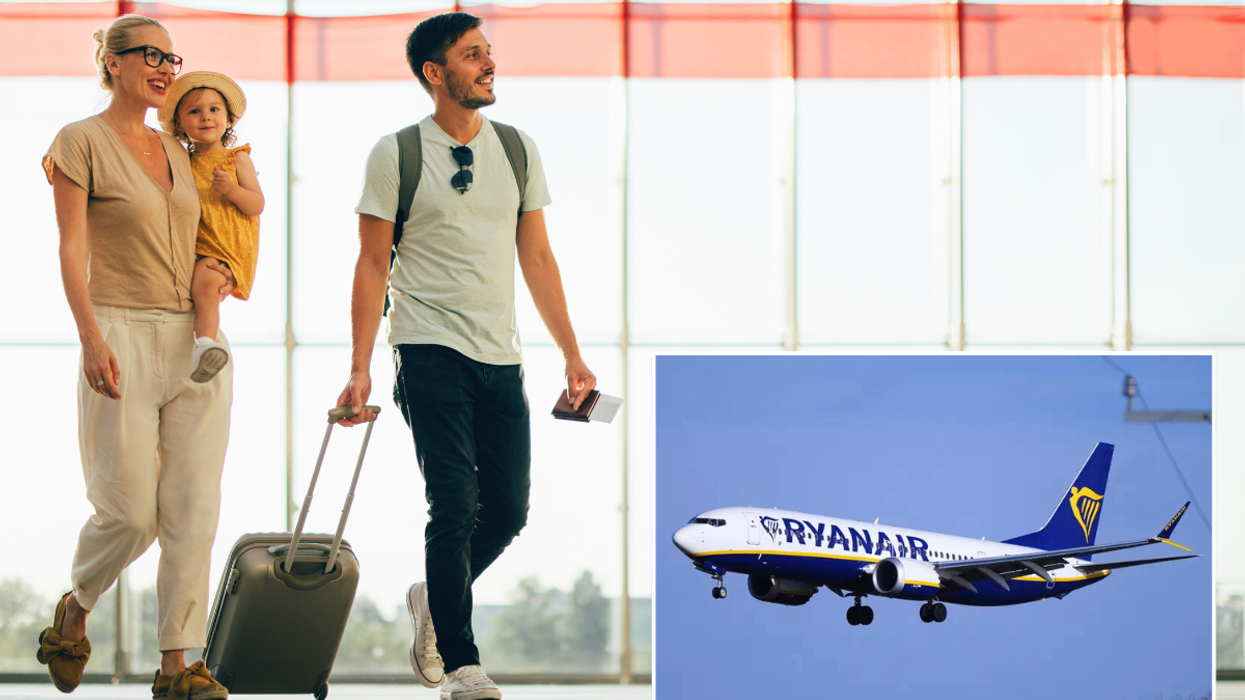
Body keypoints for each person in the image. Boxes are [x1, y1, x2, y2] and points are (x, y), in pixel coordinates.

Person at [335, 12, 596, 700]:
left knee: (506, 510)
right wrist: (360, 366)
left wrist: (572, 353)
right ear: (435, 73)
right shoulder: (395, 153)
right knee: (454, 503)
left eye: (489, 52)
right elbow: (369, 264)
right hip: (425, 349)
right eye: (473, 55)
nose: (489, 64)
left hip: (499, 357)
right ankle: (460, 663)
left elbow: (536, 256)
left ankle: (433, 595)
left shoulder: (516, 149)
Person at [38, 14, 234, 700]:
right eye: (149, 53)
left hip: (194, 341)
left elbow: (230, 216)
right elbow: (70, 249)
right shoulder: (79, 141)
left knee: (191, 509)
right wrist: (91, 337)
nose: (164, 65)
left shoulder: (179, 147)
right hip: (117, 330)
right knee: (129, 513)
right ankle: (76, 610)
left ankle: (179, 665)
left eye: (170, 56)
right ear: (113, 62)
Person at [157, 70, 264, 382]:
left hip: (225, 247)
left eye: (214, 109)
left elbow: (257, 205)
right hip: (197, 245)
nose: (206, 117)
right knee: (192, 286)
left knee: (205, 286)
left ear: (229, 120)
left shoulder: (236, 160)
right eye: (194, 111)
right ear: (179, 124)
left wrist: (231, 189)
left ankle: (205, 345)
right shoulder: (182, 163)